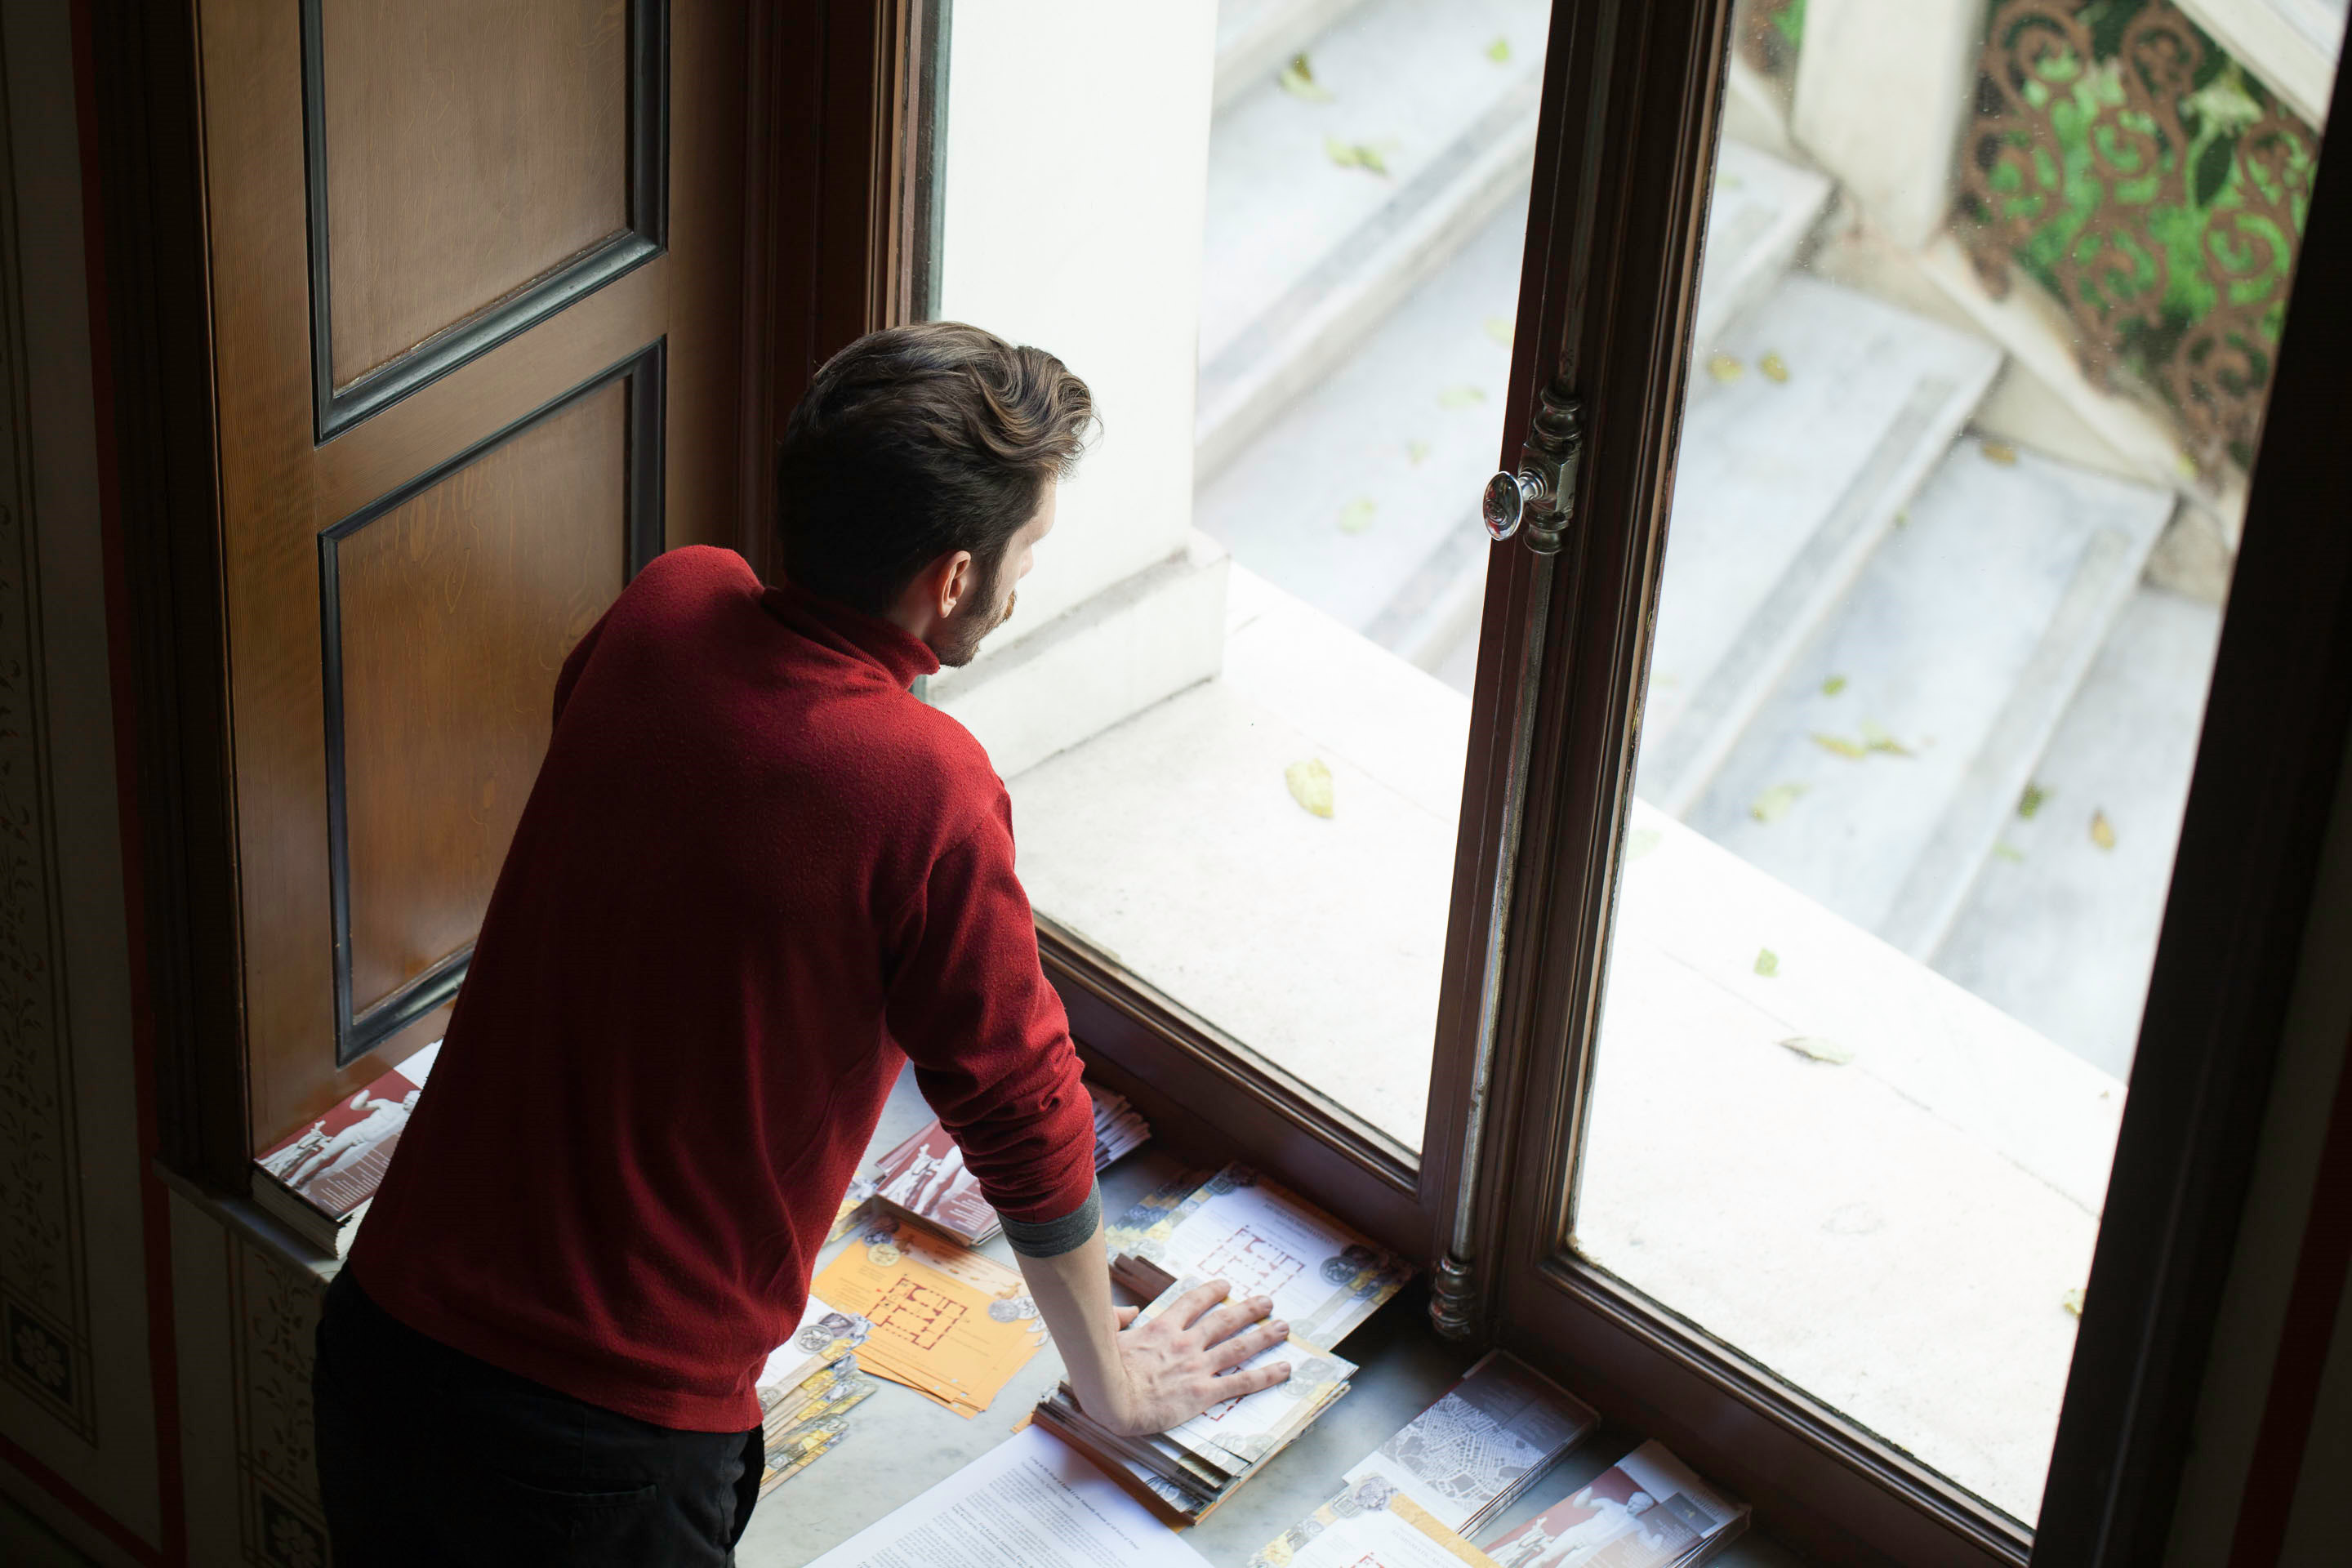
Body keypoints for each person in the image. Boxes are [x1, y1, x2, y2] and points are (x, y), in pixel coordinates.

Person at [311, 323, 1291, 1566]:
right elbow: (1024, 1106)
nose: (1028, 575)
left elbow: (692, 885)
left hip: (386, 1340)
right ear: (951, 580)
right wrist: (1117, 1386)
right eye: (1029, 549)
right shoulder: (923, 785)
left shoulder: (668, 604)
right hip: (595, 1448)